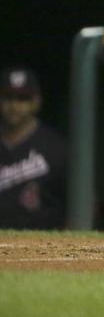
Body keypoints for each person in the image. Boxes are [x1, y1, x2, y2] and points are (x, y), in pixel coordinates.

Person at [0, 66, 67, 229]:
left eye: (22, 98)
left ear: (36, 102)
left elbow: (82, 205)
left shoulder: (56, 147)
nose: (14, 106)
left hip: (42, 245)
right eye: (8, 98)